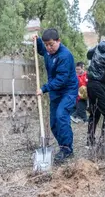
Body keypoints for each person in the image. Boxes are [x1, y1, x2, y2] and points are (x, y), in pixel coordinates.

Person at [33, 28, 78, 164]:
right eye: (47, 45)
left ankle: (66, 149)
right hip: (56, 93)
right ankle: (63, 146)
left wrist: (44, 88)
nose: (49, 47)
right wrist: (37, 41)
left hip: (68, 91)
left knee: (61, 116)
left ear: (58, 41)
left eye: (51, 44)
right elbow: (42, 50)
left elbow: (61, 80)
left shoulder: (65, 56)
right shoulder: (48, 50)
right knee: (53, 123)